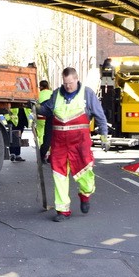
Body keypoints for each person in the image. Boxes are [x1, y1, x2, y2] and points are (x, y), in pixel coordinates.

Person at [36, 67, 109, 222]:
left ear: (76, 79)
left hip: (80, 143)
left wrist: (104, 135)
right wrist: (36, 107)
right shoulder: (56, 94)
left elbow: (100, 115)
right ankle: (63, 211)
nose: (68, 86)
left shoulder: (87, 94)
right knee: (59, 175)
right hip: (60, 143)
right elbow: (46, 110)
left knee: (86, 176)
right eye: (65, 83)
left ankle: (85, 194)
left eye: (70, 83)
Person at [34, 80, 53, 163]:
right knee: (55, 139)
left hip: (41, 118)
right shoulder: (53, 93)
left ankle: (42, 155)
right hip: (53, 118)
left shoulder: (38, 94)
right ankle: (50, 156)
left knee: (43, 137)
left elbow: (36, 106)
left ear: (41, 87)